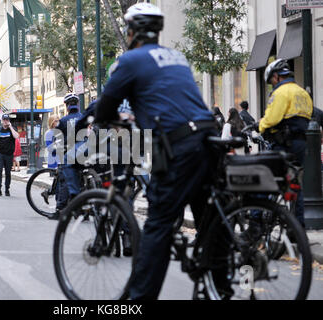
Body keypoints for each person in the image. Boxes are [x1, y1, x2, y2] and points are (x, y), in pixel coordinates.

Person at [94, 3, 227, 299]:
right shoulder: (177, 57)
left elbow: (107, 102)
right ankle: (221, 285)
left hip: (179, 145)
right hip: (208, 137)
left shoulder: (131, 60)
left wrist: (103, 119)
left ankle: (138, 300)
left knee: (159, 223)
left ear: (132, 31)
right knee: (209, 218)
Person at [254, 59, 313, 228]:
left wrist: (260, 125)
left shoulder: (280, 93)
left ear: (276, 76)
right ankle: (297, 228)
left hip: (282, 144)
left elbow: (272, 119)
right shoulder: (302, 93)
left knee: (263, 176)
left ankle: (255, 222)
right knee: (295, 185)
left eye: (271, 81)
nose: (272, 85)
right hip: (300, 145)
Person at [50, 93, 83, 220]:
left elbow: (56, 137)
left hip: (70, 154)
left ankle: (59, 210)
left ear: (67, 106)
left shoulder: (63, 121)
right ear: (78, 105)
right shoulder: (83, 117)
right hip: (86, 153)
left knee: (65, 180)